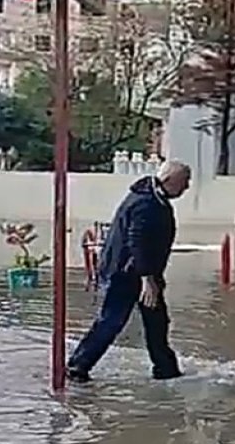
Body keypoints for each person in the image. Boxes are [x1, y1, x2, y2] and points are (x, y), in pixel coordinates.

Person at [67, 161, 192, 383]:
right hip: (127, 275)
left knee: (157, 322)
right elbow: (137, 242)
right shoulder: (146, 203)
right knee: (111, 321)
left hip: (142, 273)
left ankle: (166, 370)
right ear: (169, 181)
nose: (187, 187)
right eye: (185, 182)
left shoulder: (154, 198)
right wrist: (147, 279)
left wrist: (150, 277)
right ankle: (77, 367)